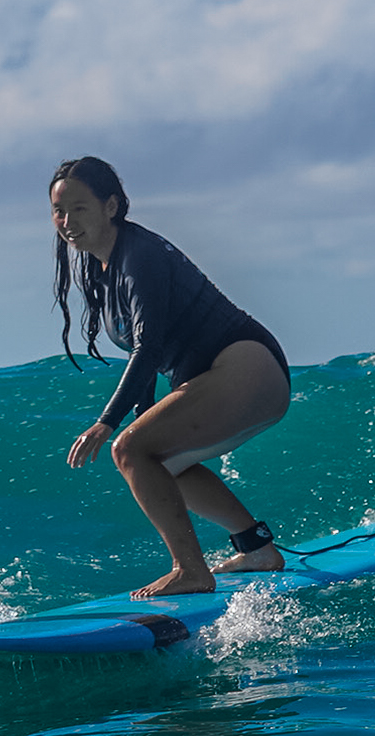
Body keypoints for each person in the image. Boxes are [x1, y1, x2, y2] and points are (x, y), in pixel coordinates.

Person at [50, 156, 292, 598]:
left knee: (128, 449)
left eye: (79, 209)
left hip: (247, 366)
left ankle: (190, 570)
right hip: (231, 375)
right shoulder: (102, 268)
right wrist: (143, 417)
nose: (67, 222)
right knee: (155, 461)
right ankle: (256, 549)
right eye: (59, 211)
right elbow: (144, 351)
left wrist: (108, 423)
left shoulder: (139, 255)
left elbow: (149, 348)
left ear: (111, 206)